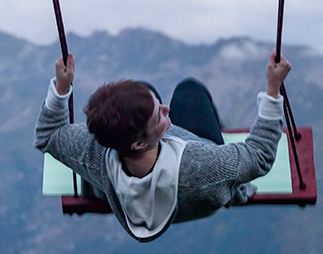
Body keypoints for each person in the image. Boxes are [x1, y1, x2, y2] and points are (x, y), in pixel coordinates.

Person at [35, 50, 291, 242]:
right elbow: (258, 156)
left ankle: (148, 109)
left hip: (127, 191)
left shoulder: (92, 150)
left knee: (141, 90)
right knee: (190, 90)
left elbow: (48, 134)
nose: (167, 109)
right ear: (139, 143)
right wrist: (272, 89)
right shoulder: (205, 165)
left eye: (158, 105)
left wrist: (61, 88)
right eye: (159, 115)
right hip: (197, 198)